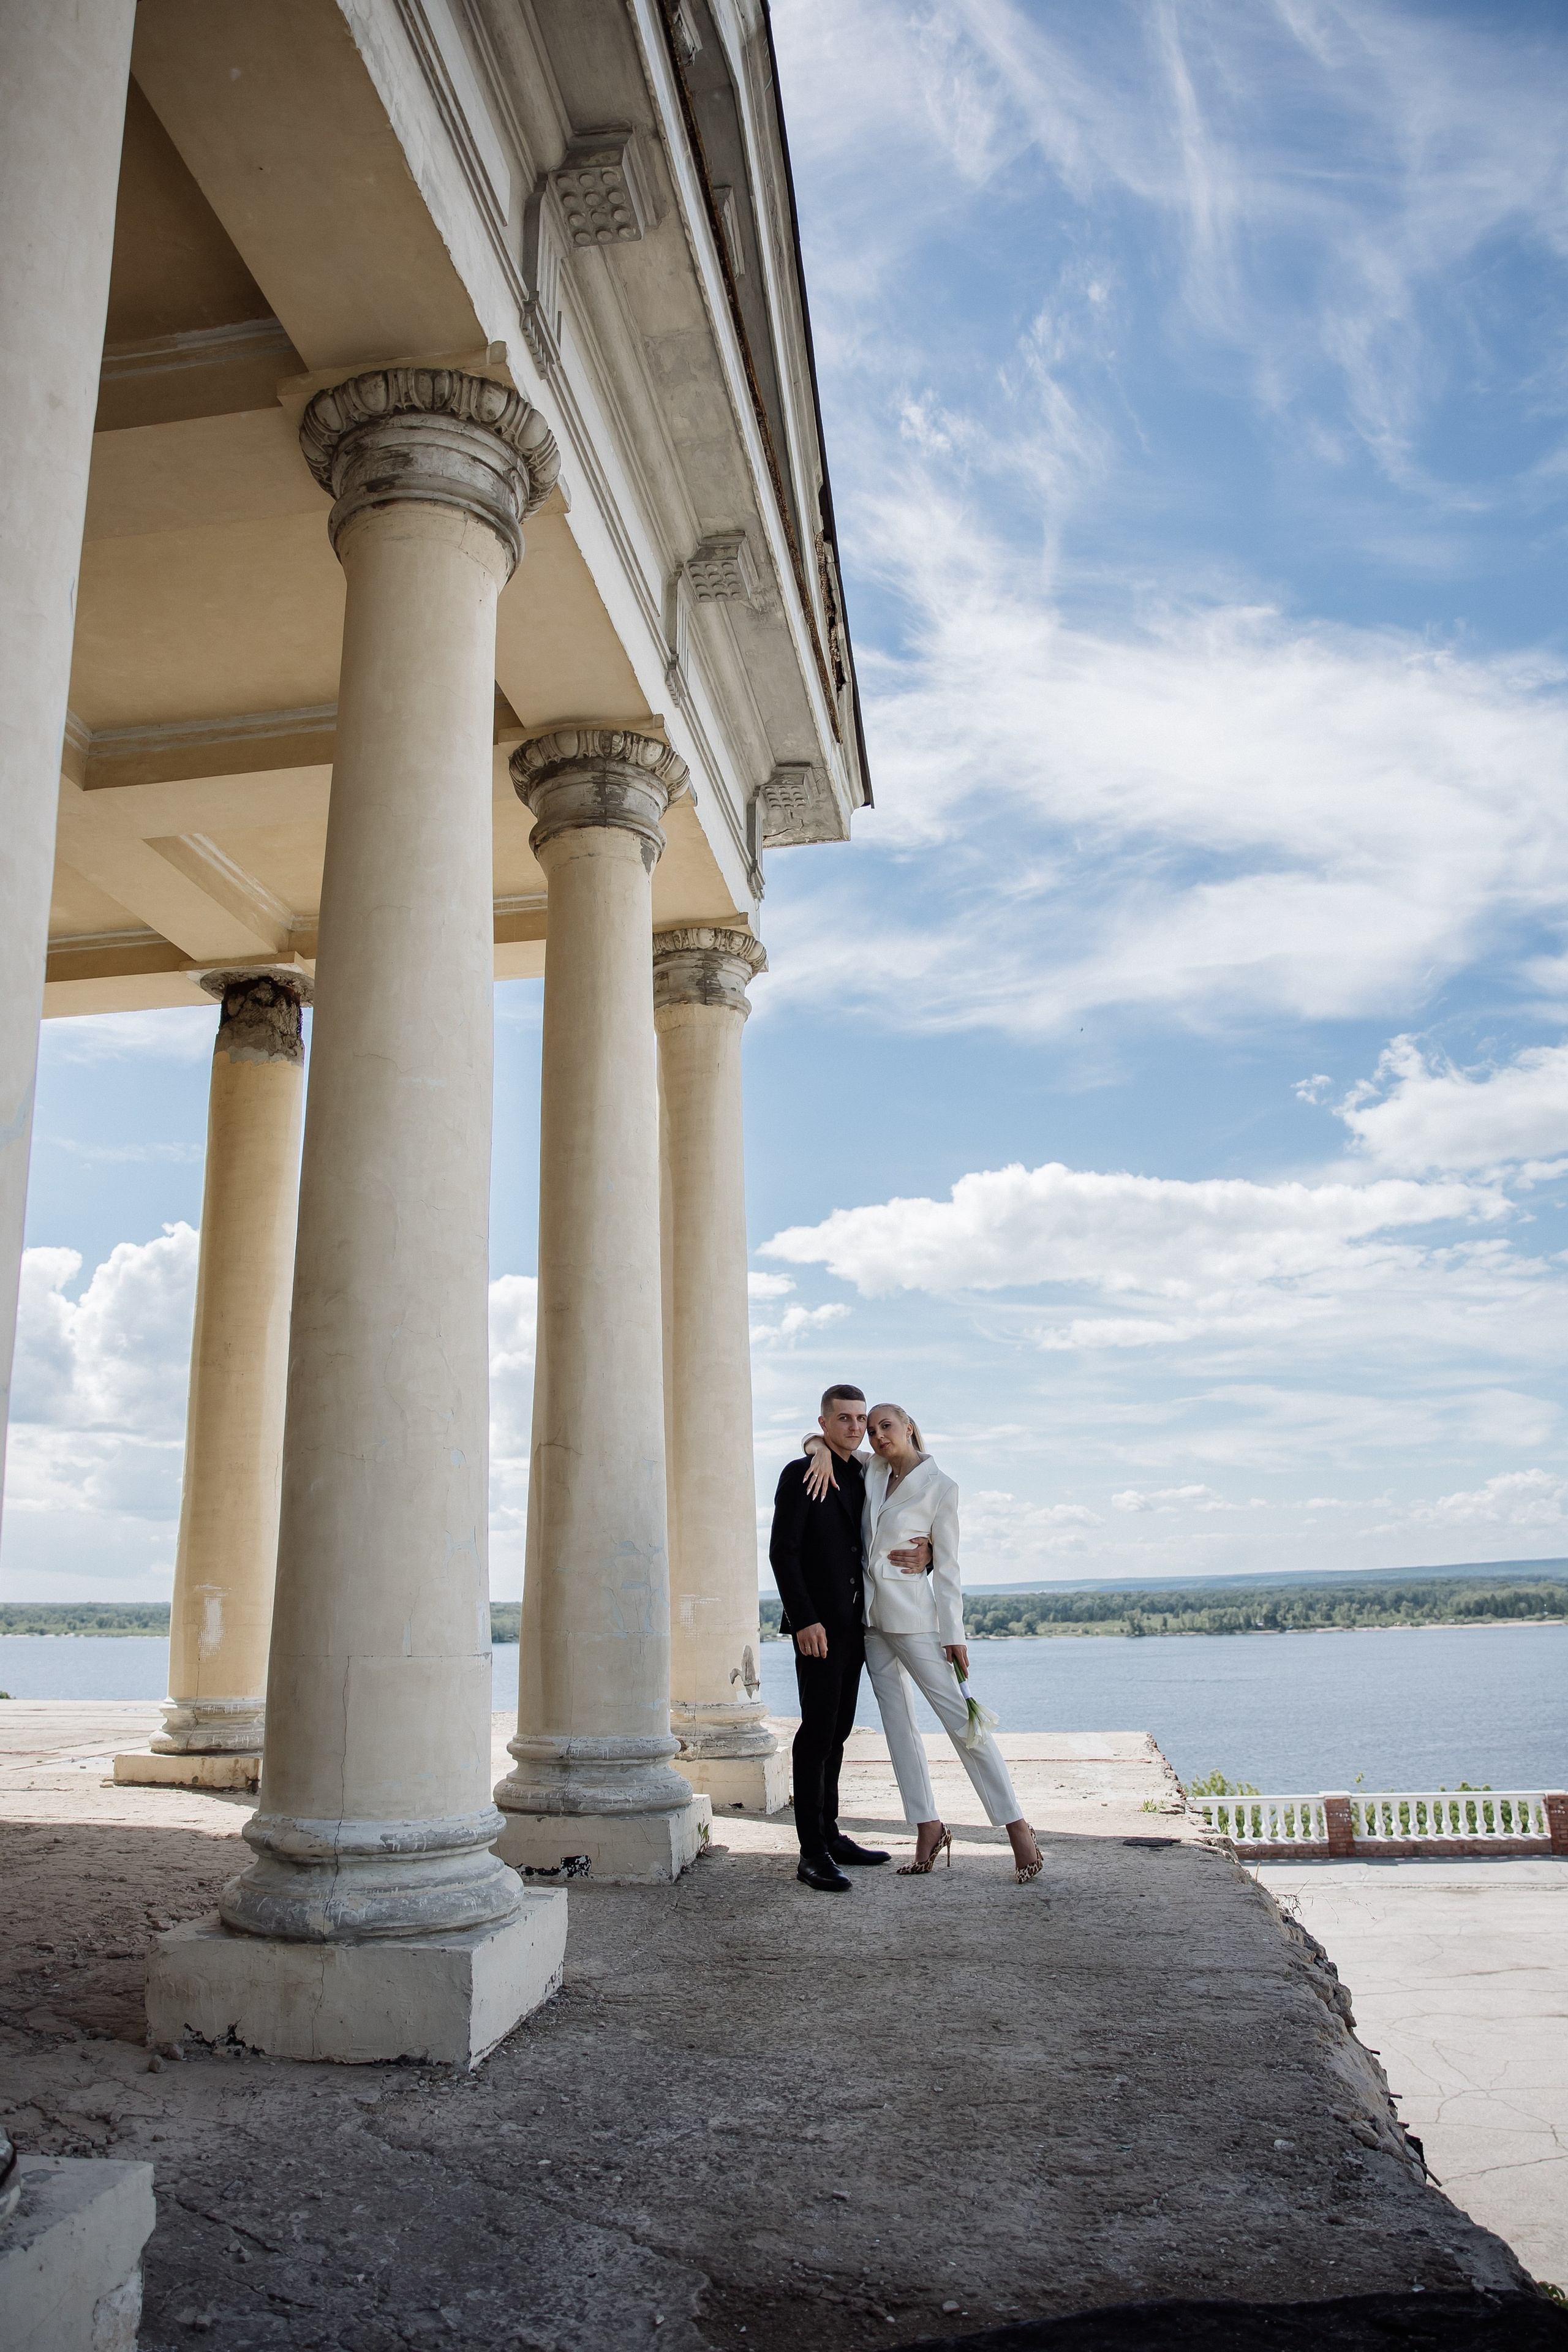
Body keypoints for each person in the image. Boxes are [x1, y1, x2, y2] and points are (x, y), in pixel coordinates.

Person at [805, 1404, 1043, 1883]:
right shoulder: (872, 1470)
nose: (876, 1436)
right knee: (900, 1731)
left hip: (917, 1623)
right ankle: (927, 1826)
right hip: (872, 1624)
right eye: (871, 1429)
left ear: (909, 1427)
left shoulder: (941, 1487)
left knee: (962, 1723)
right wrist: (818, 1450)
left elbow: (949, 1566)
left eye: (886, 1426)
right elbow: (821, 1441)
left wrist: (953, 1634)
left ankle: (1017, 1826)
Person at [769, 1384, 932, 1893]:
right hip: (818, 1627)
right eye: (844, 1419)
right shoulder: (800, 1474)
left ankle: (831, 1834)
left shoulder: (869, 1473)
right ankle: (811, 1853)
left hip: (859, 1624)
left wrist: (928, 1553)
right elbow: (783, 1552)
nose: (856, 1427)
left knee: (838, 1732)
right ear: (824, 1423)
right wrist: (804, 1619)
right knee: (816, 1733)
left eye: (861, 1418)